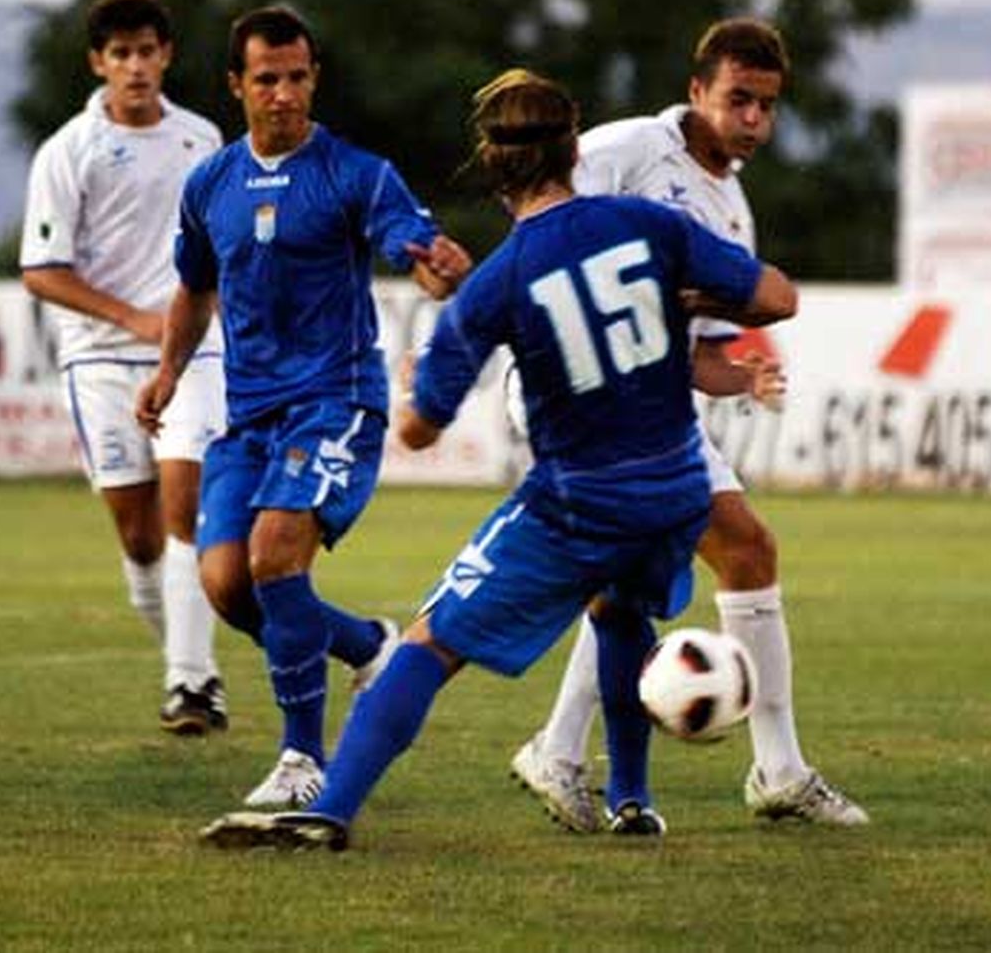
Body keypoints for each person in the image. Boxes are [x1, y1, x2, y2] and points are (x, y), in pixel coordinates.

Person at [199, 68, 798, 851]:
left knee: (427, 642)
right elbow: (777, 297)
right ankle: (631, 798)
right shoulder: (652, 226)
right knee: (622, 610)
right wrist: (688, 296)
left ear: (489, 163)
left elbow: (416, 432)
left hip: (577, 501)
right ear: (575, 149)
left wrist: (415, 389)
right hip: (680, 489)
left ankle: (329, 809)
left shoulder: (499, 280)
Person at [508, 18, 869, 829]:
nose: (752, 121)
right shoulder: (629, 150)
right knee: (721, 551)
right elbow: (542, 228)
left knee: (702, 558)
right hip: (574, 389)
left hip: (648, 404)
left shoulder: (732, 213)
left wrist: (737, 374)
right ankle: (769, 771)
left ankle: (565, 751)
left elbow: (693, 352)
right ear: (697, 88)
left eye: (767, 106)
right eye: (738, 99)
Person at [136, 5, 471, 807]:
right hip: (249, 415)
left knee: (276, 553)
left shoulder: (356, 172)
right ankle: (368, 645)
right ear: (235, 86)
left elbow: (413, 249)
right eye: (266, 80)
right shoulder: (210, 183)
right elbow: (194, 287)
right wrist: (168, 373)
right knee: (225, 584)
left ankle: (300, 758)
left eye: (296, 77)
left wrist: (438, 271)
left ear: (313, 77)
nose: (284, 95)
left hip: (335, 401)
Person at [19, 0, 230, 736]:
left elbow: (225, 242)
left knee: (186, 509)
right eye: (121, 54)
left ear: (166, 56)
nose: (135, 67)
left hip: (193, 351)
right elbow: (42, 269)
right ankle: (186, 657)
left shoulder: (203, 140)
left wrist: (186, 320)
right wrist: (130, 316)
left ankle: (191, 684)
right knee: (139, 539)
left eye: (147, 52)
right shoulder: (67, 152)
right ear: (98, 62)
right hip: (100, 362)